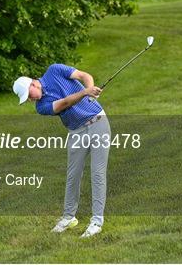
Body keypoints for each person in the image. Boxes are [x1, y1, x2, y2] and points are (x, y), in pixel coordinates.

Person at [12, 63, 111, 238]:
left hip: (98, 122)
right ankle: (68, 217)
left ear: (33, 84)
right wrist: (84, 93)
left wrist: (89, 89)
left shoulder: (54, 70)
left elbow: (83, 75)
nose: (30, 99)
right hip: (76, 131)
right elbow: (65, 103)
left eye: (28, 95)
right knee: (73, 175)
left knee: (97, 173)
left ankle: (96, 221)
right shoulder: (41, 107)